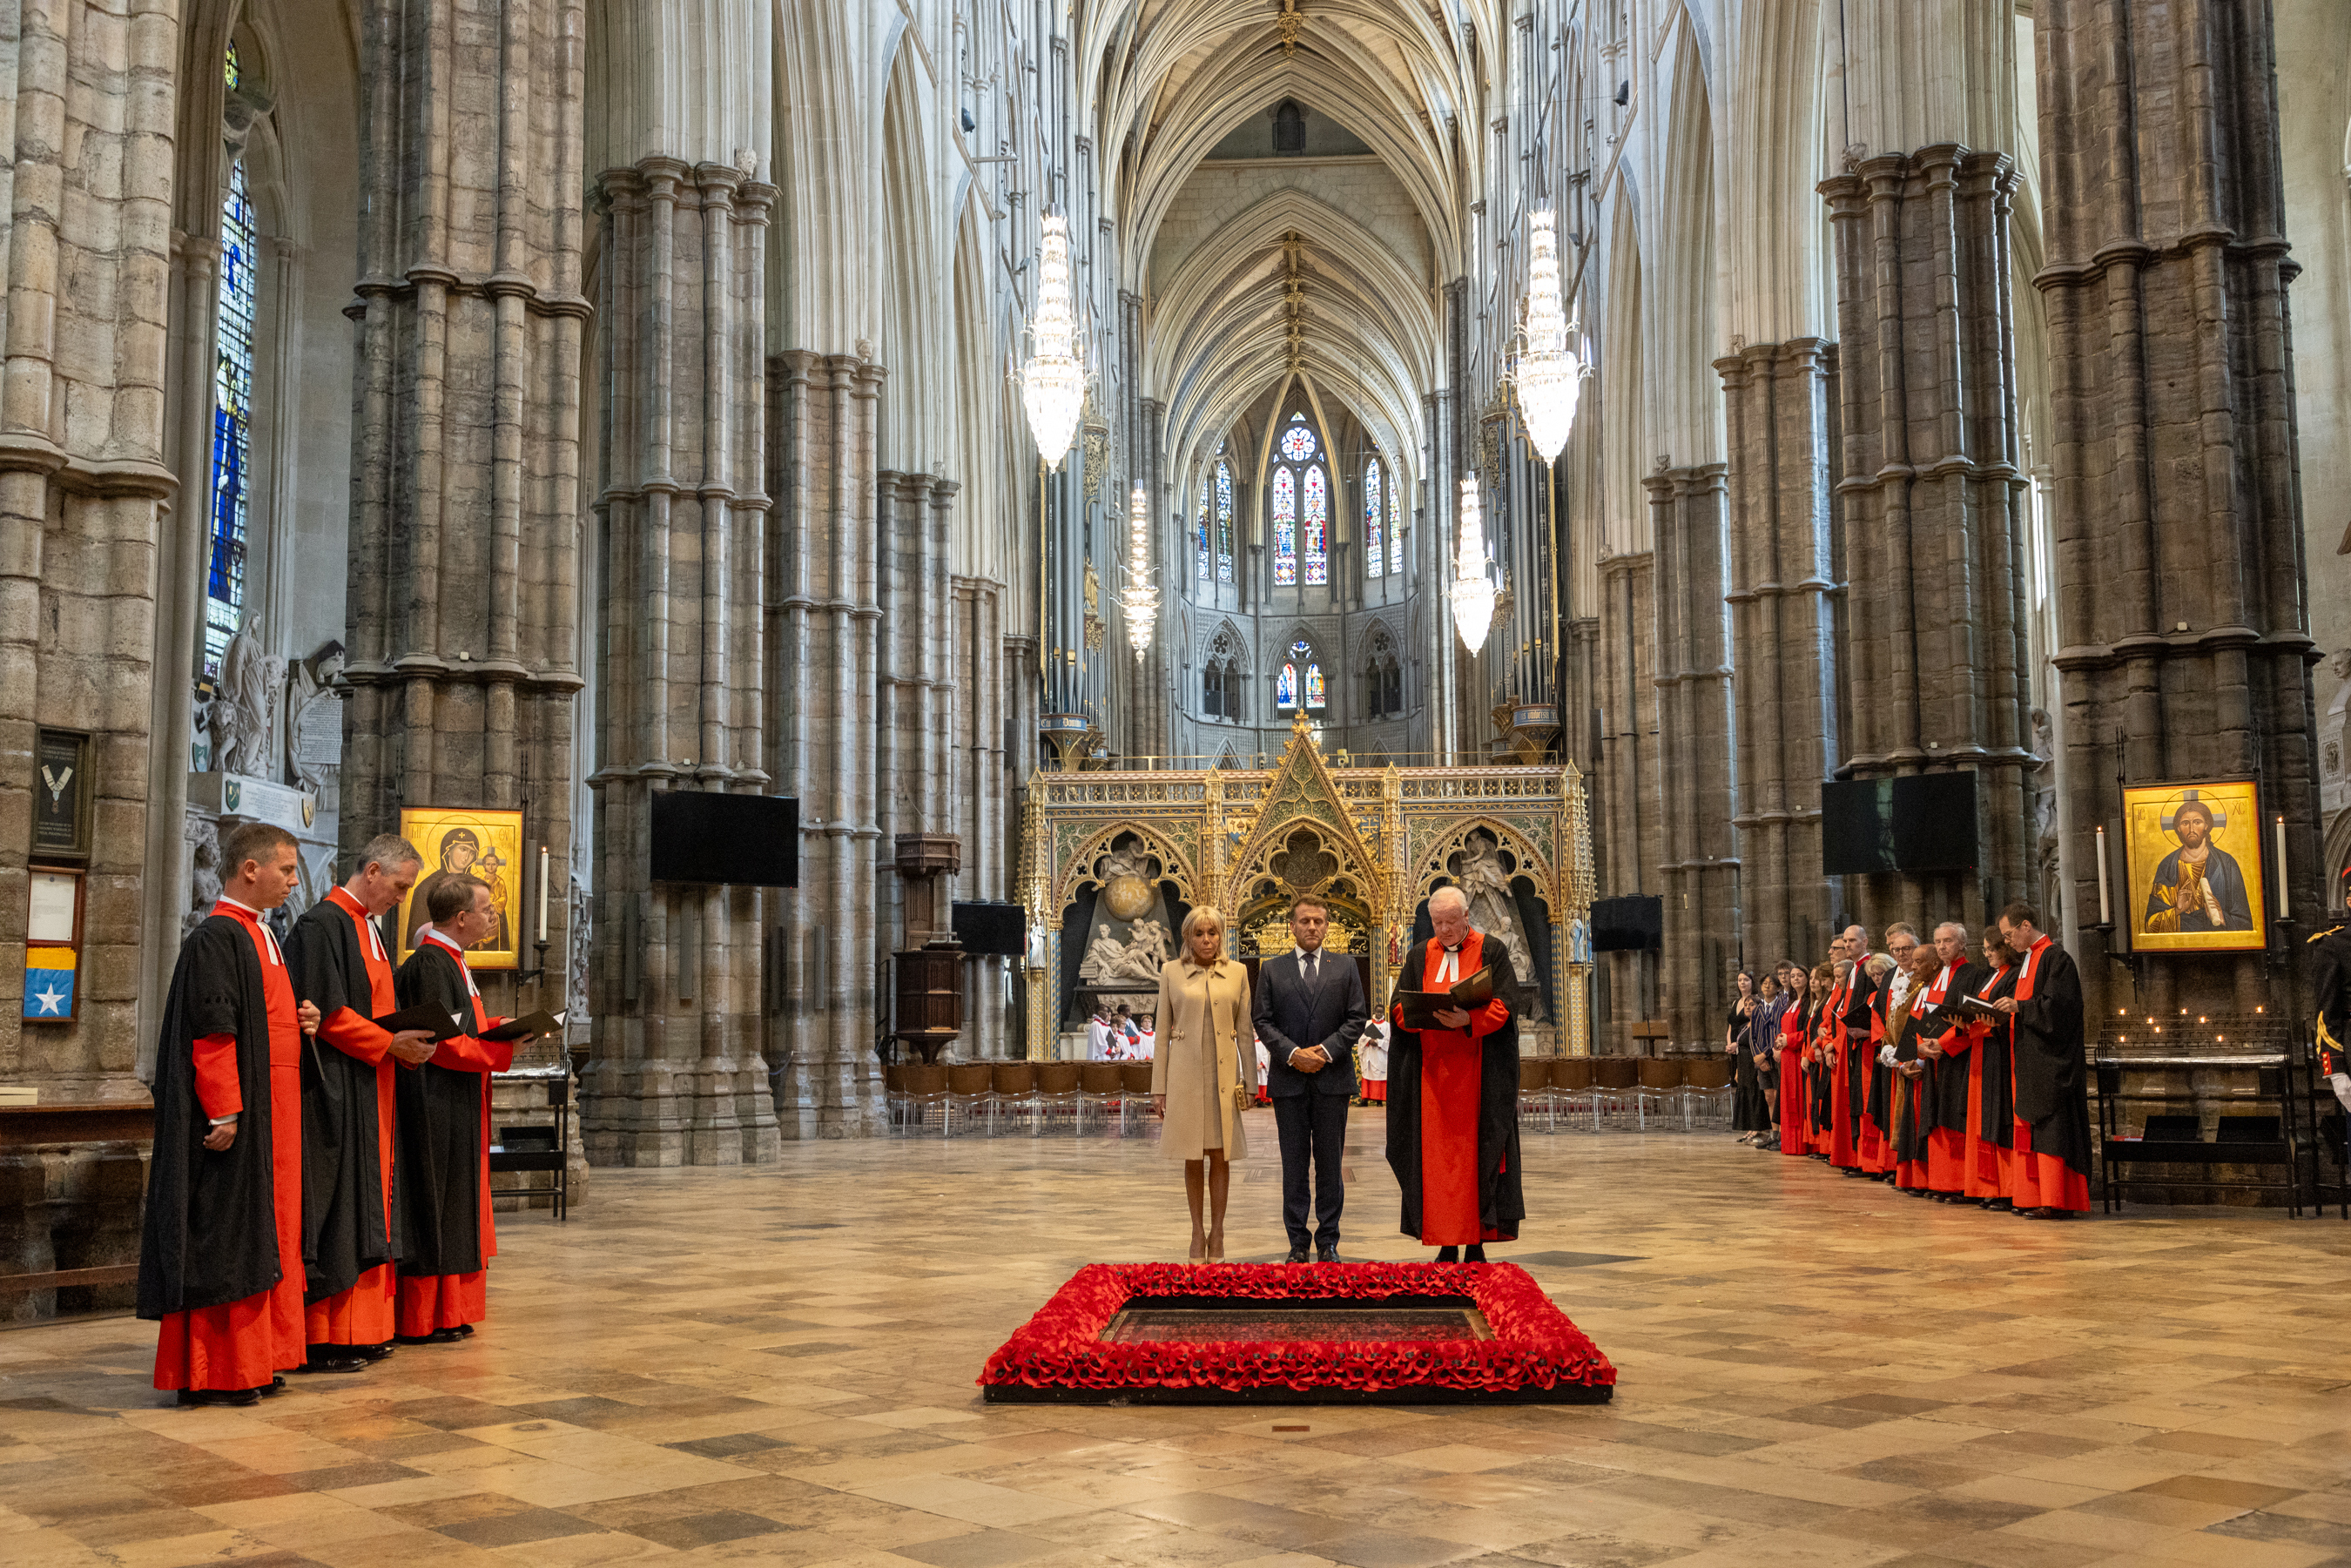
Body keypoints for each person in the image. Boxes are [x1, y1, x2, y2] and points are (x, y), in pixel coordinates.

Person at [138, 823, 323, 1407]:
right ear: (251, 869)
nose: (295, 880)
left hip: (278, 1116)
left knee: (273, 1233)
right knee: (229, 1237)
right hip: (243, 1117)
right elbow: (213, 1034)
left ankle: (262, 1356)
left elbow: (264, 1018)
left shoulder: (264, 933)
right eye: (288, 869)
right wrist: (224, 1110)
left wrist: (303, 1018)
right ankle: (219, 1368)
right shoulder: (218, 936)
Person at [285, 834, 439, 1373]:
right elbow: (323, 1010)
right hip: (341, 1088)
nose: (403, 897)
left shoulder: (369, 928)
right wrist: (387, 1043)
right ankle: (329, 1335)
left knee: (374, 1203)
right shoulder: (323, 924)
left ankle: (367, 1328)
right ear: (372, 871)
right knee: (343, 1208)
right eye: (399, 886)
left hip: (377, 1084)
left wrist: (411, 1036)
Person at [392, 876, 519, 1341]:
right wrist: (498, 1052)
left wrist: (506, 1028)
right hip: (433, 1100)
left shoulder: (453, 959)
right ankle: (424, 1317)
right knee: (437, 1201)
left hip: (457, 1096)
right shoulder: (430, 962)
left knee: (457, 1203)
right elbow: (441, 1041)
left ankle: (451, 1310)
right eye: (486, 909)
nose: (493, 916)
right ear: (461, 918)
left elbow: (468, 1023)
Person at [1386, 886, 1523, 1262]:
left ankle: (1476, 1241)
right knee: (1437, 1166)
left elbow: (1508, 1004)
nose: (1443, 930)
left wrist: (1469, 1019)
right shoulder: (1419, 956)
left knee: (1475, 1162)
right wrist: (1414, 1016)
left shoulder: (1491, 949)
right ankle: (1445, 1241)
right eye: (1437, 923)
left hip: (1478, 1075)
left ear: (1466, 917)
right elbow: (1398, 1006)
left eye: (1450, 922)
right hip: (1431, 1078)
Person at [1252, 893, 1369, 1262]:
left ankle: (1329, 1240)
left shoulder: (1345, 966)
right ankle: (1298, 1242)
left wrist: (1324, 1052)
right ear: (1292, 926)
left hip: (1332, 1079)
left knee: (1331, 1165)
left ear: (1328, 925)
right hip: (1289, 1082)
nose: (1312, 927)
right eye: (1305, 921)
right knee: (1294, 1164)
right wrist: (1291, 1053)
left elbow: (1356, 1019)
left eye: (1318, 921)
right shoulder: (1272, 969)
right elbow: (1262, 1020)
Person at [1151, 906, 1254, 1262]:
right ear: (1188, 937)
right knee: (1192, 1156)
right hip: (1184, 1075)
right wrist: (1158, 1088)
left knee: (1220, 1155)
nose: (1206, 940)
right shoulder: (1171, 973)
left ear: (1222, 936)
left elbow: (1245, 1032)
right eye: (1199, 934)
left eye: (1212, 933)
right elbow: (1161, 1032)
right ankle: (1197, 1231)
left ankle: (1219, 1231)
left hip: (1223, 1076)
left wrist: (1251, 1082)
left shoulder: (1238, 973)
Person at [1992, 902, 2092, 1217]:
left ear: (2025, 926)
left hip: (2051, 1062)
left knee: (2053, 1129)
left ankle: (2057, 1199)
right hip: (2029, 1059)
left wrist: (2020, 1008)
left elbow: (2060, 1007)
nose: (2008, 942)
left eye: (2009, 934)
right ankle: (2034, 1196)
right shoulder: (2029, 960)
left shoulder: (2055, 958)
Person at [1910, 921, 1985, 1201]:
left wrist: (1943, 1044)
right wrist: (1921, 1047)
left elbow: (1971, 1019)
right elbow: (1926, 1019)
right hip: (1935, 1057)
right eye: (1938, 941)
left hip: (1958, 1058)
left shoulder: (1972, 974)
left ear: (1963, 944)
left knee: (1955, 1119)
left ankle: (1960, 1184)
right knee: (1936, 1118)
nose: (1942, 946)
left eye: (1948, 941)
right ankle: (1940, 1181)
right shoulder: (1938, 975)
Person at [2142, 797, 2253, 934]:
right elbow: (2150, 926)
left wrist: (2222, 916)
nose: (2191, 829)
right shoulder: (2167, 866)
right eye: (2185, 823)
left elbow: (2245, 923)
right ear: (2178, 828)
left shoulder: (2227, 864)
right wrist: (2177, 910)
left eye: (2197, 822)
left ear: (2207, 825)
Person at [1775, 961, 1813, 1155]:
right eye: (1793, 976)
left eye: (1799, 975)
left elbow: (1807, 1031)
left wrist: (1789, 1039)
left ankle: (1801, 1144)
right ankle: (1789, 1144)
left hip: (1799, 1055)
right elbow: (1784, 1029)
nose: (1795, 979)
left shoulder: (1808, 1003)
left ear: (1807, 979)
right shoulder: (1791, 1003)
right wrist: (1779, 1041)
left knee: (1798, 1099)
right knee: (1788, 1100)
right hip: (1787, 1057)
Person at [1727, 970, 1768, 1142]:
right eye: (1739, 980)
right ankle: (1750, 1128)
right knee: (1746, 1093)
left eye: (1746, 980)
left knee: (1755, 1094)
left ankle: (1758, 1128)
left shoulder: (1758, 1020)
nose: (1742, 983)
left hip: (1752, 1059)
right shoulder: (1737, 1003)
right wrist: (1731, 1045)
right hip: (1739, 1055)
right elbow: (1731, 1027)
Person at [1357, 1018, 1389, 1104]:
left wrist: (1378, 1042)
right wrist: (1368, 1040)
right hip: (1369, 1053)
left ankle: (1379, 1100)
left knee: (1380, 1075)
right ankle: (1365, 1100)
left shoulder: (1387, 1025)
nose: (1378, 1014)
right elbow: (1361, 1038)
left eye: (1380, 1012)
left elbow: (1388, 1041)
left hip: (1380, 1054)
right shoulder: (1368, 1023)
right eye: (1377, 1012)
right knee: (1367, 1074)